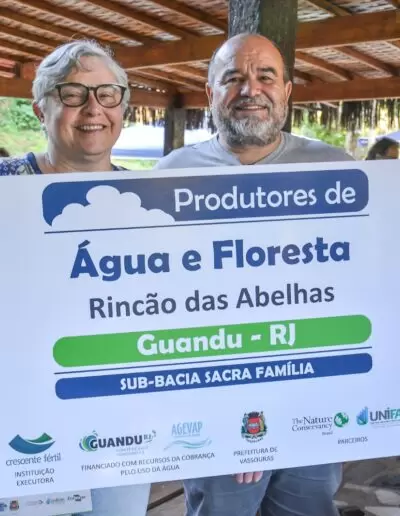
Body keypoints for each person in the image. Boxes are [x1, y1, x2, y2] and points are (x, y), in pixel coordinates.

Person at [154, 33, 353, 516]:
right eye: (233, 78)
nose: (251, 89)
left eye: (266, 76)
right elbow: (159, 307)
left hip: (313, 409)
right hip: (214, 416)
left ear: (287, 91)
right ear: (210, 93)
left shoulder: (337, 169)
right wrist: (229, 421)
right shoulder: (170, 176)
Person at [0, 40, 149, 516]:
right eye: (72, 94)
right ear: (39, 109)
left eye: (107, 94)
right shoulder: (5, 186)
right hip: (20, 428)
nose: (93, 109)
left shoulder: (152, 201)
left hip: (121, 430)